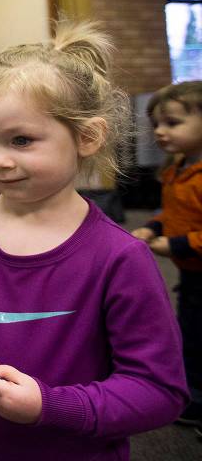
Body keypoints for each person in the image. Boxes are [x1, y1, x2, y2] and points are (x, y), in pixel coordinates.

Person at [0, 22, 188, 460]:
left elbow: (158, 390)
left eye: (21, 140)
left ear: (86, 137)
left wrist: (50, 406)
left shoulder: (120, 257)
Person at [131, 81, 202, 429]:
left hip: (192, 260)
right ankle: (195, 399)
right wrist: (154, 227)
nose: (160, 132)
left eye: (172, 123)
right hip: (191, 272)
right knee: (191, 334)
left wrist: (174, 245)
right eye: (156, 124)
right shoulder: (176, 169)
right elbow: (177, 213)